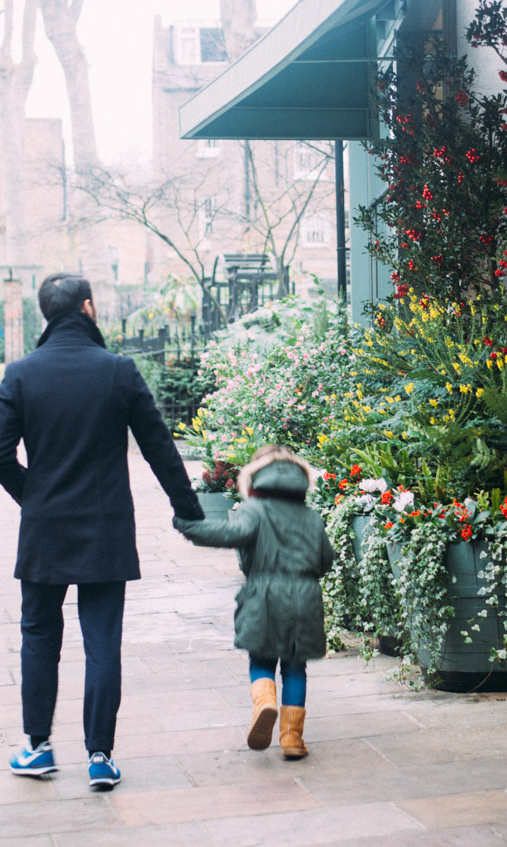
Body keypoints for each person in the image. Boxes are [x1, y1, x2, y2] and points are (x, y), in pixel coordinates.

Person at [0, 273, 205, 788]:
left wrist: (36, 499)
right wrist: (190, 513)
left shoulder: (20, 375)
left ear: (47, 315)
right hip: (105, 529)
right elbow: (158, 445)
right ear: (88, 308)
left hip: (45, 530)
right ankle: (100, 757)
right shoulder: (117, 371)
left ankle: (38, 748)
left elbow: (1, 456)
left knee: (39, 635)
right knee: (102, 641)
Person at [174, 444, 334, 759]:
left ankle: (265, 703)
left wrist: (188, 526)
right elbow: (325, 559)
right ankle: (291, 739)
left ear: (257, 478)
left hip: (264, 594)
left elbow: (229, 534)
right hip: (305, 596)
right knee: (295, 667)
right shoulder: (311, 516)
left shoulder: (254, 510)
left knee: (261, 660)